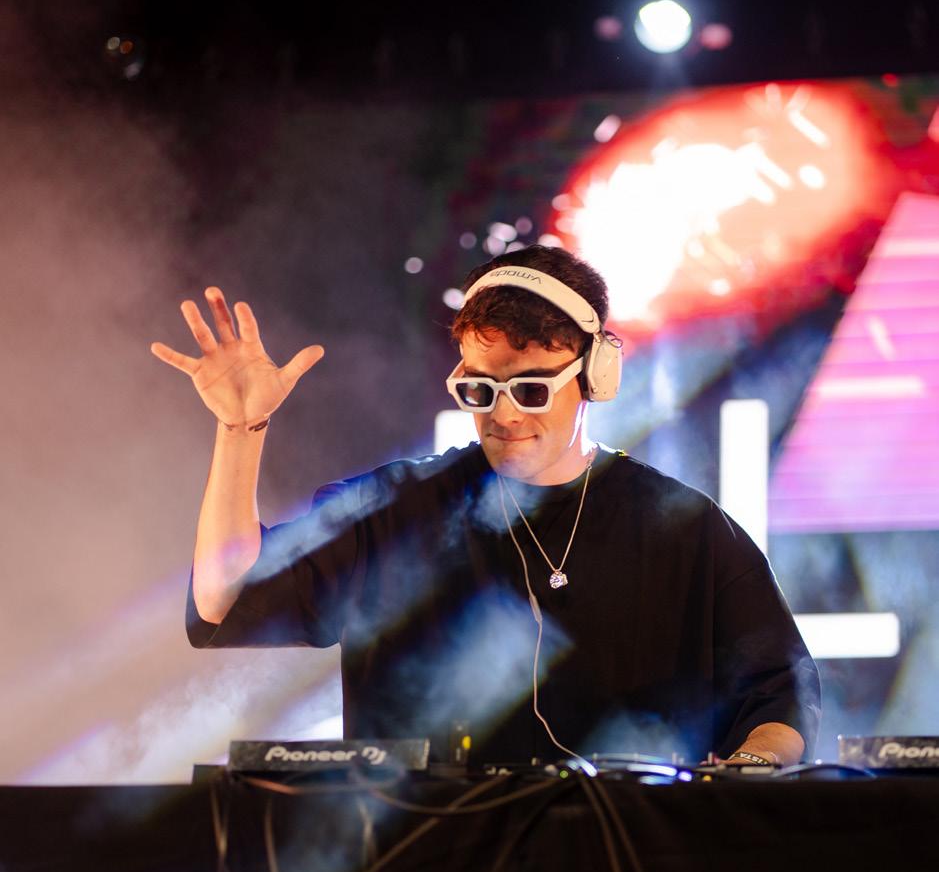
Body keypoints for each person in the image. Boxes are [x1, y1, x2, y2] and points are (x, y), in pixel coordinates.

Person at [152, 245, 820, 768]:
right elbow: (225, 600)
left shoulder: (683, 528)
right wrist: (240, 430)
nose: (503, 416)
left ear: (595, 376)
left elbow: (779, 694)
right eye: (479, 391)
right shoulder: (393, 511)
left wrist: (752, 767)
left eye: (530, 391)